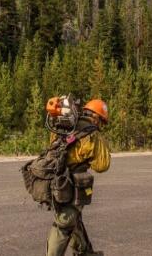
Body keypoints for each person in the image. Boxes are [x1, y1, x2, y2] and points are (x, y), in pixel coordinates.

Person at [46, 98, 111, 256]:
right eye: (101, 121)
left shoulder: (63, 126)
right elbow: (102, 165)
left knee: (74, 218)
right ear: (95, 117)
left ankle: (85, 251)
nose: (100, 125)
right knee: (65, 222)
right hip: (73, 183)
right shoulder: (92, 132)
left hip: (55, 180)